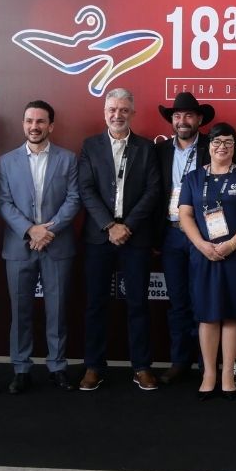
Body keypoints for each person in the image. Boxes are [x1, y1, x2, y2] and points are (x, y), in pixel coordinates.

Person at [77, 88, 163, 392]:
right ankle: (93, 366)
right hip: (99, 237)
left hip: (135, 237)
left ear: (132, 113)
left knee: (138, 303)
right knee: (95, 304)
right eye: (112, 109)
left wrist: (127, 225)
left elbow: (153, 190)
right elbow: (86, 189)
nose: (118, 115)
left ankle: (141, 367)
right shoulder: (90, 146)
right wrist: (108, 225)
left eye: (124, 110)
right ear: (104, 113)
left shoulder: (147, 148)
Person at [0, 100, 81, 394]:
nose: (35, 126)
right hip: (19, 246)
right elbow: (3, 202)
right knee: (20, 311)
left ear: (51, 126)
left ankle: (57, 366)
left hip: (57, 245)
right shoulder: (7, 161)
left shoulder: (68, 159)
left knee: (57, 311)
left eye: (41, 121)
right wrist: (30, 230)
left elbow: (74, 199)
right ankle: (21, 368)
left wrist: (48, 231)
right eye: (30, 121)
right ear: (23, 124)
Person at [178, 123, 236, 399]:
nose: (221, 147)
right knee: (208, 314)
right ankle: (209, 374)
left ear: (234, 146)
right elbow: (185, 215)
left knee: (233, 313)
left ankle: (228, 374)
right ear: (209, 146)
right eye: (216, 142)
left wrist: (231, 245)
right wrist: (202, 245)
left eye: (227, 142)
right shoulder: (193, 178)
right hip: (205, 255)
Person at [154, 92, 213, 386]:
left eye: (188, 115)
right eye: (177, 116)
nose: (182, 121)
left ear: (199, 119)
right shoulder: (160, 151)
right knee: (178, 301)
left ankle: (206, 364)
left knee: (203, 299)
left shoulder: (212, 147)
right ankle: (179, 361)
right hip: (171, 234)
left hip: (203, 235)